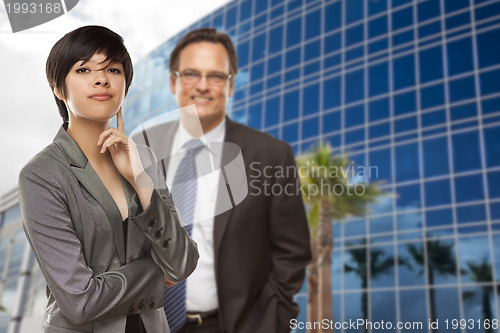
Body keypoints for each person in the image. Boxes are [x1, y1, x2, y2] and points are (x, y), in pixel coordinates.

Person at [18, 25, 199, 333]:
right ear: (59, 89)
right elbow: (79, 302)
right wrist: (155, 275)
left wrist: (140, 180)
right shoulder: (41, 175)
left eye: (113, 69)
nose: (101, 79)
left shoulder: (144, 161)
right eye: (84, 69)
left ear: (125, 84)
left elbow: (182, 263)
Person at [134, 28, 311, 333]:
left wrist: (269, 323)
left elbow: (292, 254)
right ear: (174, 81)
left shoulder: (271, 155)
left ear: (230, 86)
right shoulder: (140, 148)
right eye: (191, 74)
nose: (203, 86)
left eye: (216, 76)